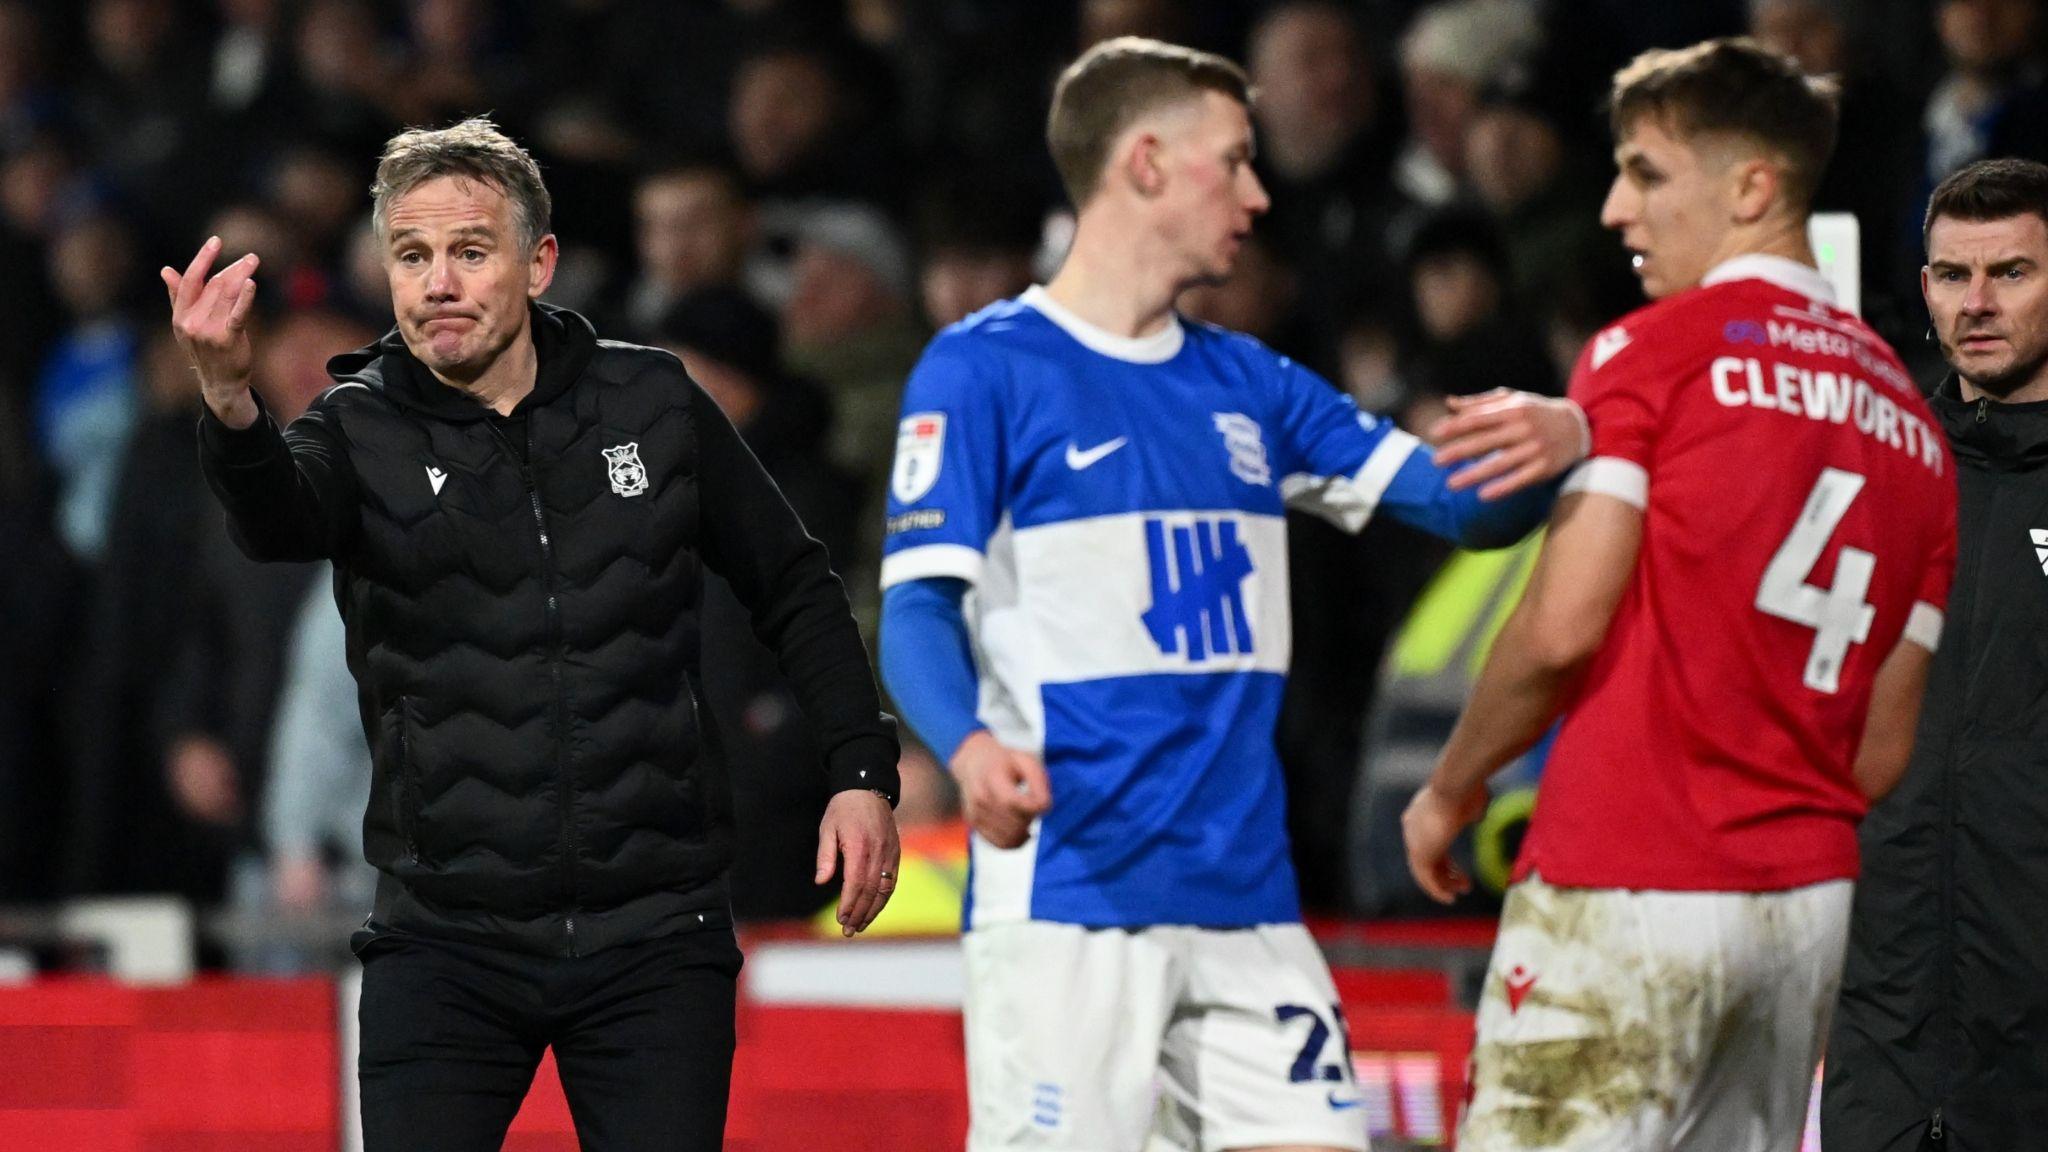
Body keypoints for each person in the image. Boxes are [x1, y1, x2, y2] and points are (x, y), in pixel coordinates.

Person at [877, 37, 1588, 1152]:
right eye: (1235, 162)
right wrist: (967, 750)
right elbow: (917, 610)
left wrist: (1567, 435)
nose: (1260, 195)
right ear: (1147, 163)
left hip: (1248, 904)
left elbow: (1461, 509)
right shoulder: (983, 371)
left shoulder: (1253, 384)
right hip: (1070, 904)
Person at [163, 117, 900, 1152]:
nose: (439, 283)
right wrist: (232, 399)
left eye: (469, 251)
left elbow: (793, 584)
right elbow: (276, 522)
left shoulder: (651, 402)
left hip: (656, 935)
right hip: (444, 944)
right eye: (411, 257)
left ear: (538, 261)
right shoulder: (354, 427)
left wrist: (860, 769)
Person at [1401, 40, 1959, 1151]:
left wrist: (1451, 784)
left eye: (1647, 172)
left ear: (1751, 186)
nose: (1613, 207)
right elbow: (1880, 749)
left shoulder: (1652, 355)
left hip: (1628, 881)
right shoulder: (1915, 427)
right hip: (1802, 913)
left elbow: (1560, 630)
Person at [1824, 157, 2048, 1151]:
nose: (1977, 302)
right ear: (1921, 287)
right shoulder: (1878, 469)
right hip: (1884, 1016)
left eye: (2009, 272)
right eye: (1952, 275)